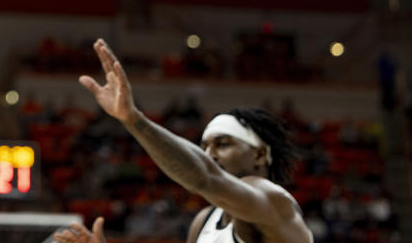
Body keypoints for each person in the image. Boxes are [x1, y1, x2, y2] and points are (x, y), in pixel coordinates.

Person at [54, 39, 311, 243]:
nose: (210, 154)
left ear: (258, 155)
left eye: (223, 144)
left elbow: (204, 177)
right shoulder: (204, 221)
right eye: (204, 147)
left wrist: (134, 120)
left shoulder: (274, 203)